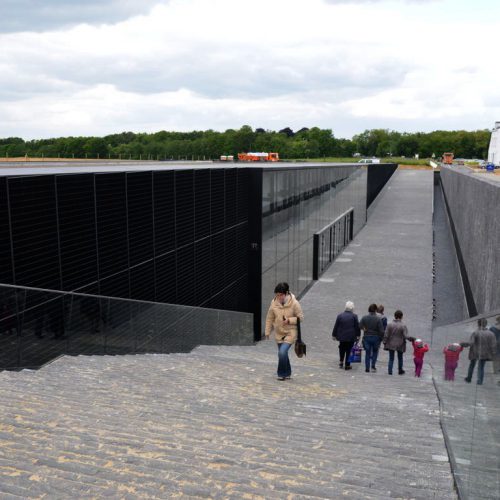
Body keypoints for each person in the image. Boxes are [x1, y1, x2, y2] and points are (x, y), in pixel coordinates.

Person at [265, 282, 304, 381]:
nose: (279, 297)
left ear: (286, 293)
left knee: (282, 352)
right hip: (279, 333)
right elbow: (269, 318)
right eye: (277, 295)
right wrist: (267, 331)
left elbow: (301, 318)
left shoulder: (294, 303)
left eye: (281, 295)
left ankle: (281, 374)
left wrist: (289, 320)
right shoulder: (273, 303)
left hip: (291, 331)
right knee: (283, 354)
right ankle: (287, 373)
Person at [463, 318, 497, 385]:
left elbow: (471, 343)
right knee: (481, 367)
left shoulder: (475, 333)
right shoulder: (491, 334)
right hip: (484, 353)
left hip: (475, 352)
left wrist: (464, 344)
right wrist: (493, 353)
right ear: (486, 324)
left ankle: (469, 378)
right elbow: (493, 345)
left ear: (478, 324)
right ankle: (480, 381)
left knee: (472, 365)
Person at [332, 301, 361, 370]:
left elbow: (336, 326)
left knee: (341, 348)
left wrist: (334, 334)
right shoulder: (354, 316)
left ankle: (341, 361)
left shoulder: (340, 315)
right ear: (352, 308)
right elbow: (357, 327)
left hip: (341, 336)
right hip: (351, 336)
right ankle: (347, 365)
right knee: (349, 349)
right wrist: (358, 335)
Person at [383, 310, 412, 375]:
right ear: (401, 317)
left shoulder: (389, 324)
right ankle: (400, 370)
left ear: (394, 316)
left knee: (391, 358)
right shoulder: (403, 325)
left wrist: (384, 341)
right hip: (400, 344)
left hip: (391, 343)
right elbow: (405, 336)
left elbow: (386, 334)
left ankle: (390, 371)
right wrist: (411, 339)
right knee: (400, 358)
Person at [360, 303, 385, 373]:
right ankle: (373, 366)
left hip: (367, 337)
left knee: (367, 353)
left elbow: (359, 325)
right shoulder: (378, 319)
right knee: (375, 352)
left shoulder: (364, 317)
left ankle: (367, 368)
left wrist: (364, 329)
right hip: (376, 338)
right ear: (375, 310)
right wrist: (381, 338)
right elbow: (382, 331)